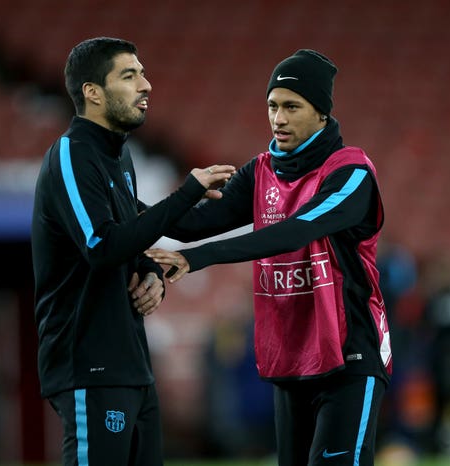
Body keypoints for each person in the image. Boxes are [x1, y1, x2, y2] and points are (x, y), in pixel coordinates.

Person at [146, 49, 392, 466]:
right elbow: (188, 224)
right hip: (293, 357)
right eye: (272, 106)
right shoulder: (261, 171)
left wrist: (196, 258)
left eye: (292, 107)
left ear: (321, 113)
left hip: (351, 356)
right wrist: (118, 197)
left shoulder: (352, 172)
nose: (278, 118)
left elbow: (296, 230)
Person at [30, 37, 234, 466]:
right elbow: (101, 246)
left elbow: (140, 234)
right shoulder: (73, 154)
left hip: (131, 367)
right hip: (88, 367)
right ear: (93, 92)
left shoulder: (118, 159)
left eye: (142, 73)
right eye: (130, 75)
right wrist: (186, 193)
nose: (146, 84)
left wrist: (152, 275)